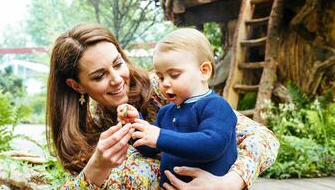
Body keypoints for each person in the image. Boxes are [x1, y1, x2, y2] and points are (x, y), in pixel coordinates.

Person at [46, 23, 279, 190]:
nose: (117, 79)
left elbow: (263, 138)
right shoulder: (81, 133)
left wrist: (231, 182)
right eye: (99, 76)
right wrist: (95, 168)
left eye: (118, 64)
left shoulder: (166, 88)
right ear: (76, 86)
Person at [116, 28, 237, 187]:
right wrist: (135, 124)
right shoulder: (166, 112)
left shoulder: (216, 106)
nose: (165, 83)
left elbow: (212, 145)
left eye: (174, 75)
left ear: (204, 71)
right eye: (160, 77)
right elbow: (149, 148)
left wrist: (160, 137)